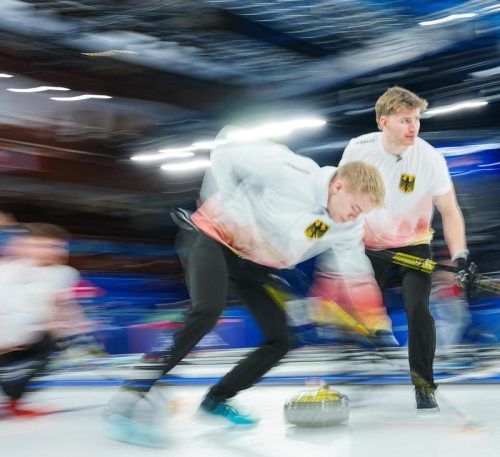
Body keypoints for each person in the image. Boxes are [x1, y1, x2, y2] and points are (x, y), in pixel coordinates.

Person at [105, 127, 386, 447]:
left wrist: (375, 322)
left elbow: (354, 269)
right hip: (213, 237)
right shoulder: (293, 170)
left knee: (282, 339)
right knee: (207, 311)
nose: (354, 218)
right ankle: (130, 397)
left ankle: (217, 399)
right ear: (338, 186)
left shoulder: (348, 224)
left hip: (253, 263)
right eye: (355, 207)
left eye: (362, 213)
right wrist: (225, 204)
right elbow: (227, 147)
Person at [317, 86, 473, 411]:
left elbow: (449, 210)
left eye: (416, 119)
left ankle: (424, 385)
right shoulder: (358, 149)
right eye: (405, 120)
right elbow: (339, 195)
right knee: (352, 306)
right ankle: (356, 365)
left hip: (413, 245)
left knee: (419, 310)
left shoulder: (429, 158)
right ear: (383, 122)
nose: (413, 127)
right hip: (367, 245)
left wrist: (460, 256)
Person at [0, 223, 81, 417]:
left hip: (30, 337)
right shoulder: (5, 272)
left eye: (57, 246)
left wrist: (68, 326)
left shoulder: (66, 273)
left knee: (47, 347)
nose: (52, 251)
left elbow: (58, 302)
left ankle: (14, 401)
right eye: (42, 246)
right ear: (27, 246)